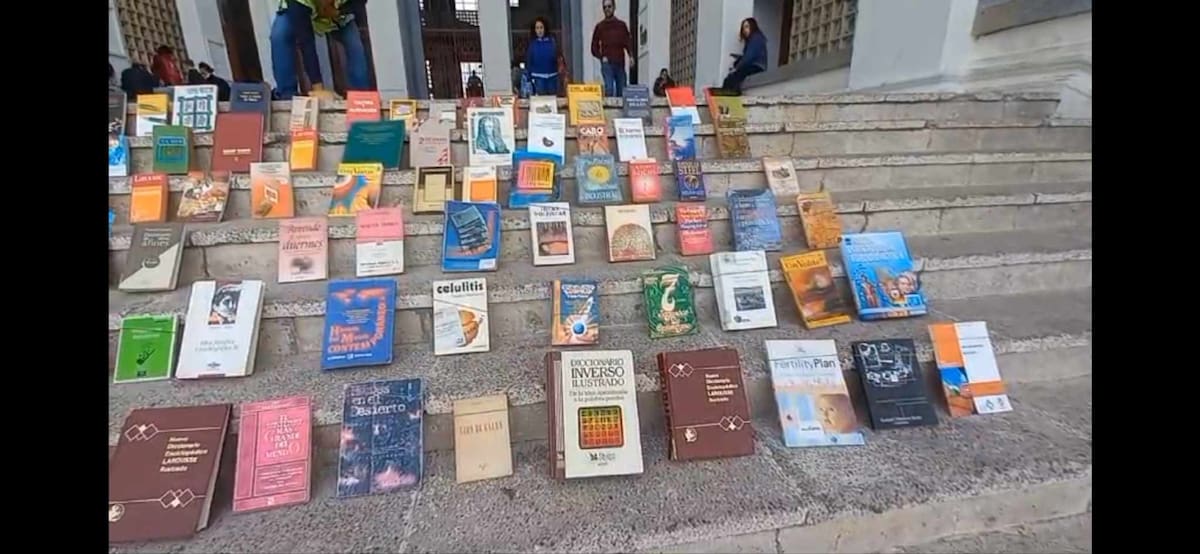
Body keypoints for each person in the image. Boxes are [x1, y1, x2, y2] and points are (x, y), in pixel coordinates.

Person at [270, 0, 369, 100]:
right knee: (280, 34)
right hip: (300, 12)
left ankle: (363, 101)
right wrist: (318, 89)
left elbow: (359, 3)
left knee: (355, 45)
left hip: (336, 16)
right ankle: (287, 96)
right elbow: (306, 42)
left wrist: (339, 11)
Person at [590, 0, 631, 97]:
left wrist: (631, 55)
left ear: (614, 7)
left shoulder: (621, 25)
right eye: (605, 7)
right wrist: (601, 57)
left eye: (609, 6)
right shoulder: (600, 27)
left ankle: (621, 112)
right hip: (607, 63)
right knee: (609, 89)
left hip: (620, 62)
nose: (607, 9)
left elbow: (627, 42)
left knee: (622, 91)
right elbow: (593, 47)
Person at [720, 17, 768, 95]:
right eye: (743, 28)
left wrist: (737, 67)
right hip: (755, 65)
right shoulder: (754, 39)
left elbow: (749, 57)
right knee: (732, 77)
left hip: (757, 67)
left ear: (752, 26)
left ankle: (730, 95)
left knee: (732, 78)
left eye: (747, 26)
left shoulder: (756, 38)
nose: (745, 30)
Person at [526, 17, 559, 96]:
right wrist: (529, 77)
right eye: (537, 28)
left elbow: (556, 56)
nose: (539, 30)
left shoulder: (552, 41)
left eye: (541, 27)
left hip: (552, 76)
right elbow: (529, 60)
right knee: (541, 100)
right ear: (534, 30)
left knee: (553, 100)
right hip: (538, 77)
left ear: (545, 28)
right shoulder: (532, 43)